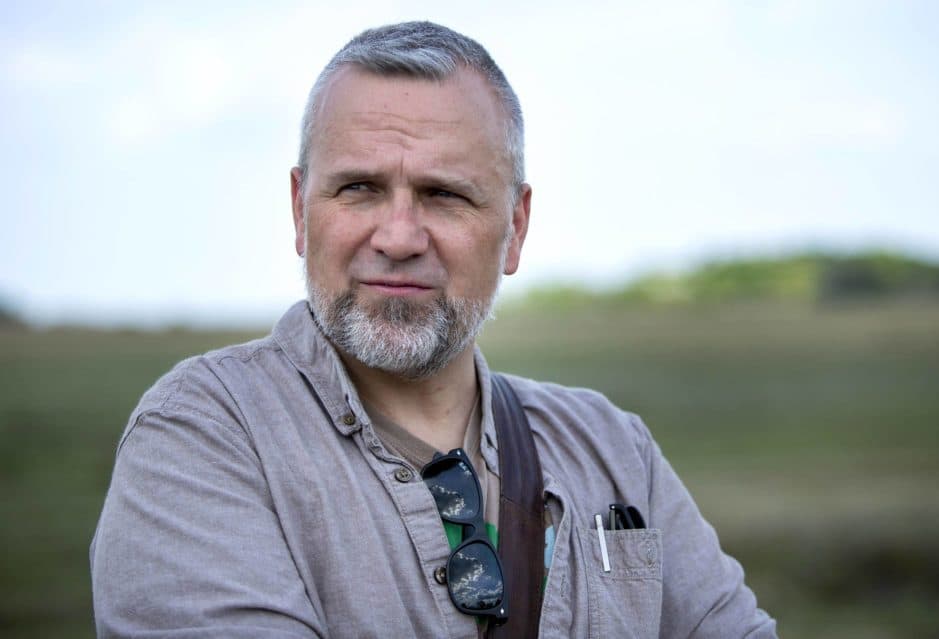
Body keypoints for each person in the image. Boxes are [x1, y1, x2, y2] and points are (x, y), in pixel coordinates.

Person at [90, 21, 777, 638]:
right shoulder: (204, 437)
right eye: (357, 187)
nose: (397, 236)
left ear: (516, 228)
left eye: (444, 194)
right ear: (301, 211)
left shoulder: (611, 447)